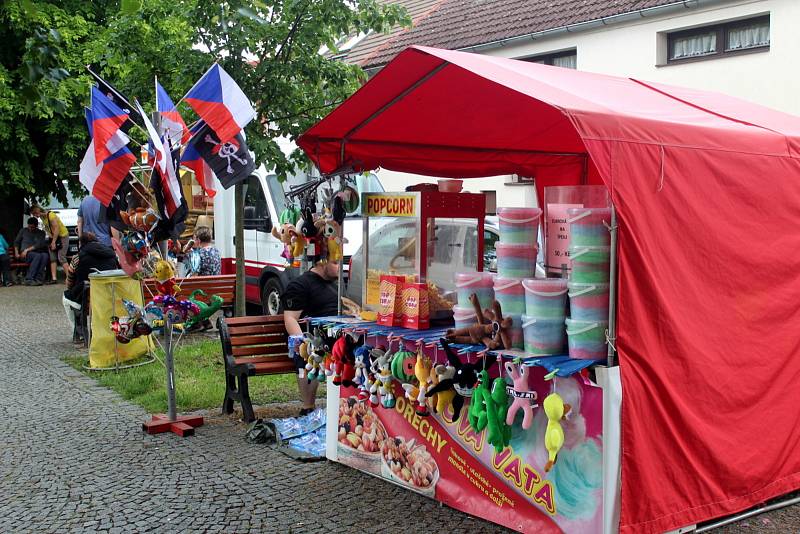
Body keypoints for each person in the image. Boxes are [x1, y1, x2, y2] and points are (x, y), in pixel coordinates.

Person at [282, 259, 341, 416]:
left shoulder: (337, 284)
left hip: (337, 339)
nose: (341, 267)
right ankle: (308, 407)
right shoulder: (300, 285)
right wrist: (303, 343)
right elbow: (290, 318)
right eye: (336, 263)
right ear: (322, 262)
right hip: (313, 340)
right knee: (306, 360)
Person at [64, 232, 118, 304]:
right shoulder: (112, 255)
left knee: (66, 298)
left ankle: (75, 315)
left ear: (81, 243)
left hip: (84, 294)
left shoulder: (77, 257)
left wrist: (70, 289)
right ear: (97, 241)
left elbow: (70, 280)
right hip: (109, 293)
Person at [30, 205, 70, 285]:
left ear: (38, 211)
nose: (35, 216)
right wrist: (51, 239)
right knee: (52, 258)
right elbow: (47, 227)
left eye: (35, 214)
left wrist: (53, 242)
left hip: (62, 236)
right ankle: (54, 278)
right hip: (53, 237)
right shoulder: (42, 217)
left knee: (61, 257)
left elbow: (57, 229)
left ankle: (70, 278)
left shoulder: (51, 215)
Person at [13, 217, 49, 285]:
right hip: (24, 255)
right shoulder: (23, 231)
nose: (30, 229)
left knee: (45, 256)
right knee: (37, 256)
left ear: (36, 226)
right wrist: (16, 253)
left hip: (34, 252)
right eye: (29, 226)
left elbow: (39, 244)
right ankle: (29, 279)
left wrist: (27, 250)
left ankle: (38, 278)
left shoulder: (41, 233)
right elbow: (16, 242)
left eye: (32, 227)